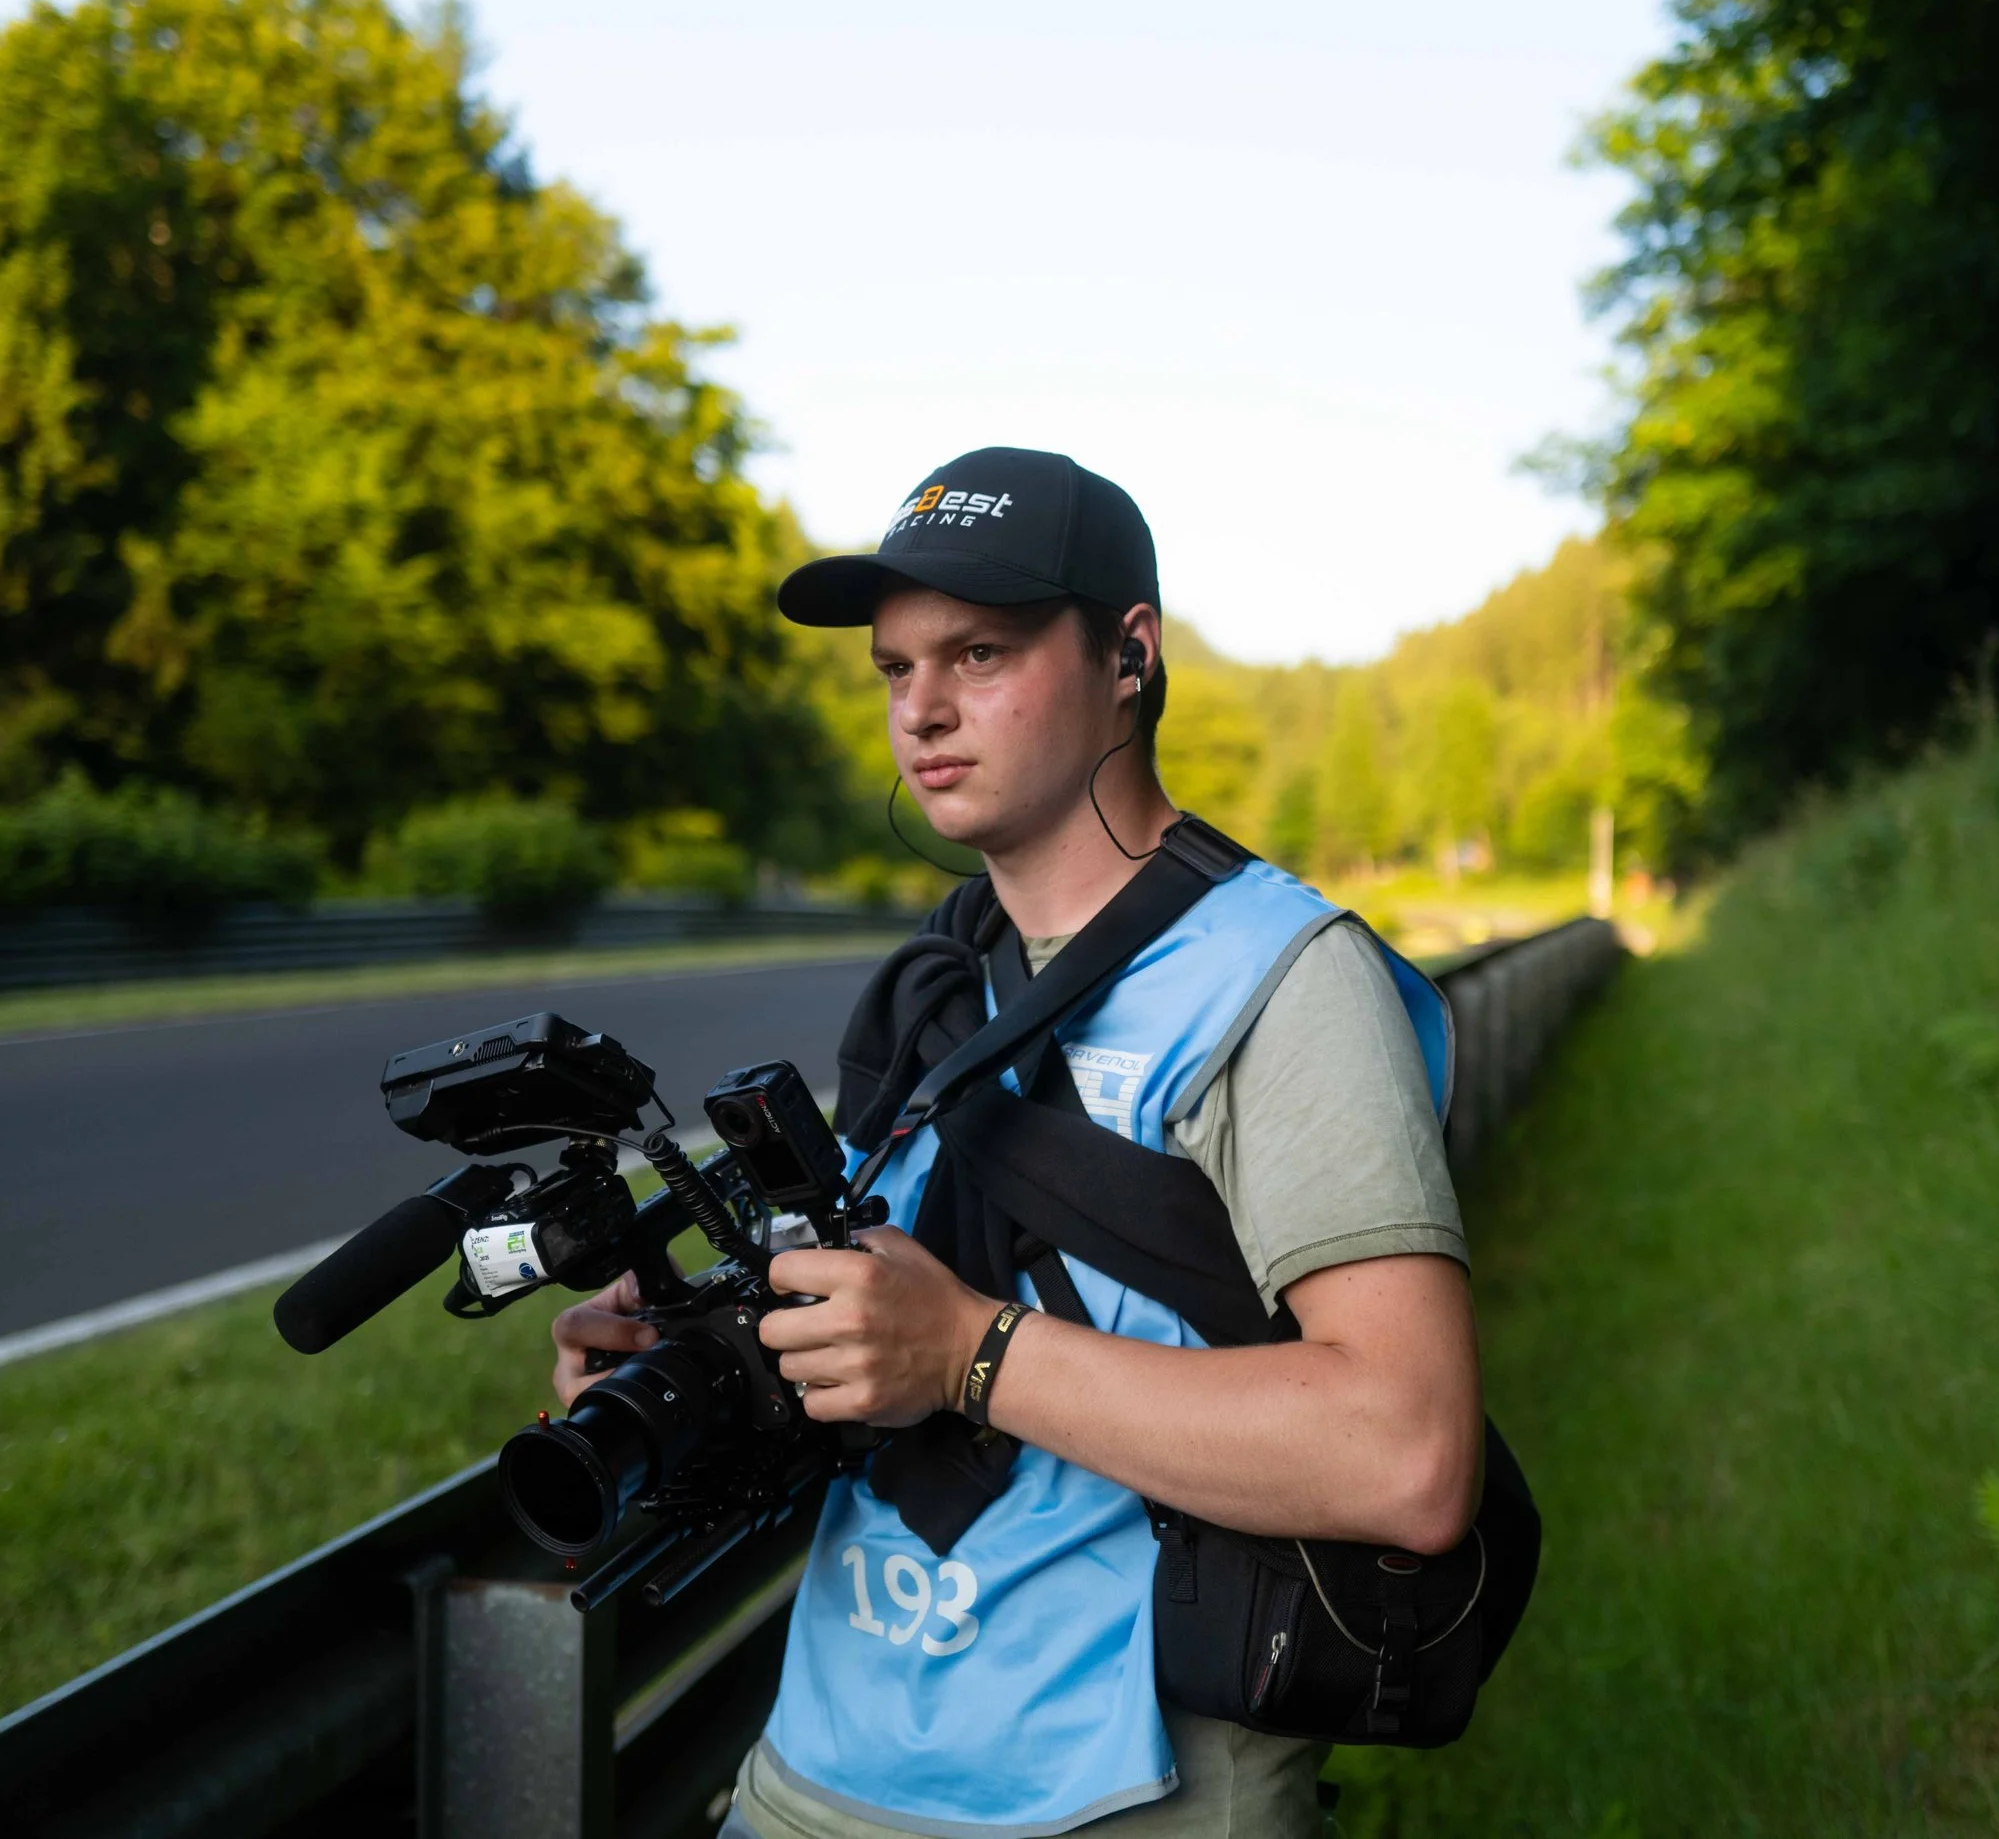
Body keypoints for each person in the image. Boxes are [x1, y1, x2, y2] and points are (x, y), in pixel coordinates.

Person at [552, 448, 1481, 1838]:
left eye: (978, 652)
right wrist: (698, 1360)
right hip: (822, 1765)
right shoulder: (938, 984)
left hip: (1116, 1790)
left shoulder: (1279, 979)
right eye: (892, 668)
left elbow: (1410, 1455)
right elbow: (878, 1354)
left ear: (1129, 654)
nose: (922, 706)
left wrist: (971, 1353)